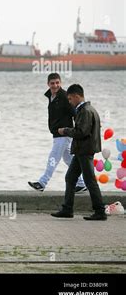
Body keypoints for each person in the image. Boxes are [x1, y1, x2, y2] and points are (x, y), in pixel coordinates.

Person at [52, 84, 106, 220]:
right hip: (81, 150)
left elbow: (81, 132)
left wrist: (65, 130)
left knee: (90, 181)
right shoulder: (88, 109)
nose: (69, 102)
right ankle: (67, 209)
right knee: (70, 178)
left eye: (70, 99)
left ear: (76, 96)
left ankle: (100, 211)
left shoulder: (85, 111)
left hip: (84, 150)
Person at [28, 73, 87, 193]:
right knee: (69, 160)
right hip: (57, 133)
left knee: (53, 158)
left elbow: (75, 112)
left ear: (60, 83)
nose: (55, 85)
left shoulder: (65, 96)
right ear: (48, 84)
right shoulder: (50, 96)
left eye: (57, 83)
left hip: (64, 133)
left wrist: (82, 126)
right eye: (52, 83)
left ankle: (42, 183)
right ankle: (81, 184)